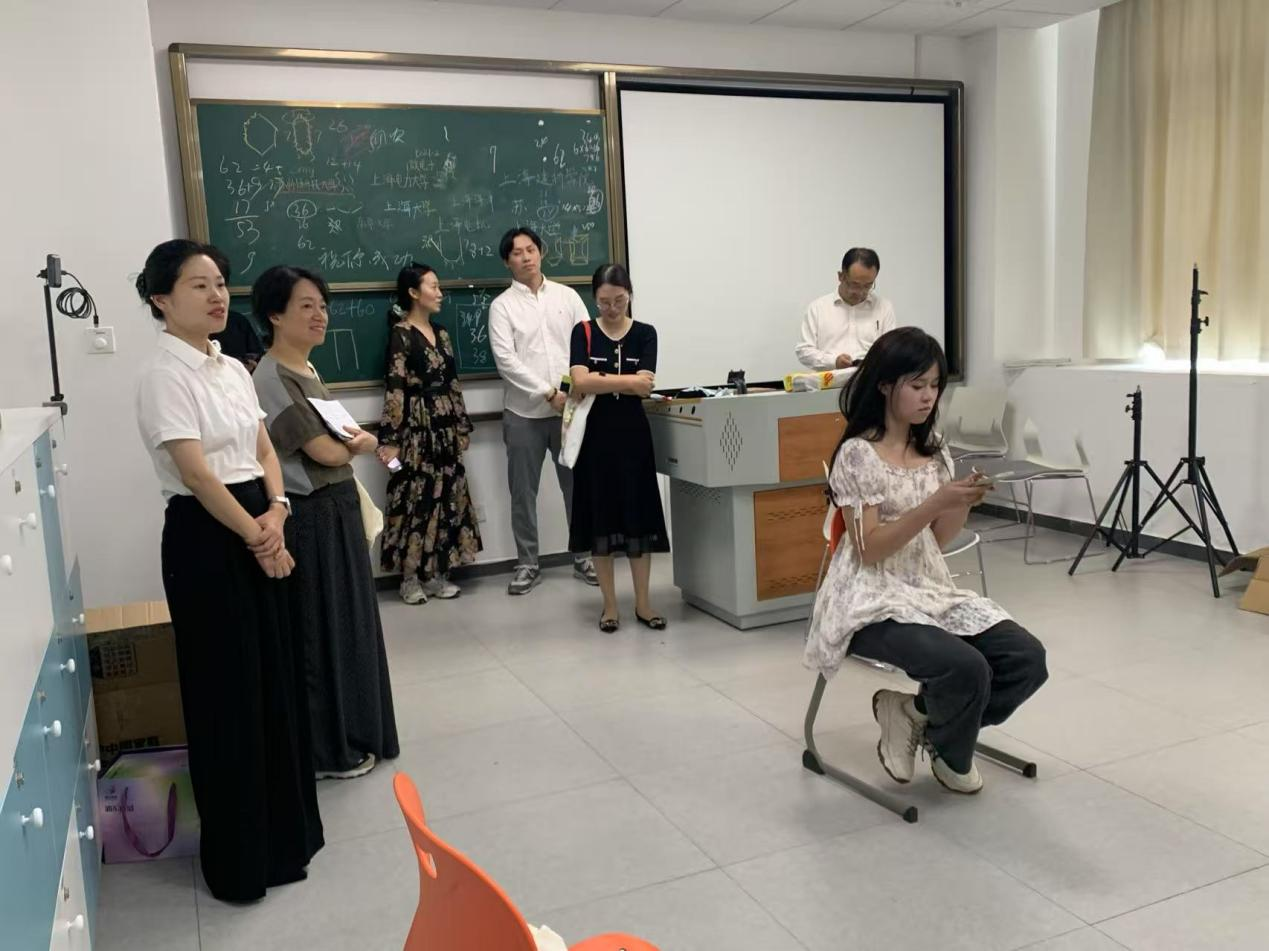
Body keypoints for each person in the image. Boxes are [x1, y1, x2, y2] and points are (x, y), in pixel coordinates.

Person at [133, 239, 322, 902]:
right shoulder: (164, 373)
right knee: (228, 695)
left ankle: (287, 841)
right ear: (161, 298)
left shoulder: (233, 367)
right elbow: (195, 473)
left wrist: (276, 510)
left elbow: (264, 449)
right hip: (207, 537)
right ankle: (241, 860)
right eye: (198, 285)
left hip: (259, 518)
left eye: (219, 283)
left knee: (274, 680)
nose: (216, 296)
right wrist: (257, 536)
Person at [803, 327, 1048, 794]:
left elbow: (938, 539)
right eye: (917, 385)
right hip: (867, 598)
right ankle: (950, 748)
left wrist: (961, 502)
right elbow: (869, 550)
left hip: (927, 587)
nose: (928, 396)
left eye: (934, 385)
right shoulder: (858, 454)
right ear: (884, 385)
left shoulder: (933, 447)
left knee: (1026, 659)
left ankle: (916, 715)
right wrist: (936, 501)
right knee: (966, 668)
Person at [251, 264, 400, 780]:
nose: (320, 315)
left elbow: (346, 441)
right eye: (305, 306)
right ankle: (327, 751)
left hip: (335, 507)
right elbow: (328, 451)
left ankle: (356, 734)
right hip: (310, 516)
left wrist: (356, 444)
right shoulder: (271, 377)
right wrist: (360, 444)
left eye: (322, 305)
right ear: (275, 315)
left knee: (348, 628)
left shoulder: (306, 370)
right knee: (322, 637)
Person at [488, 226, 598, 595]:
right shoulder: (502, 306)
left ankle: (583, 556)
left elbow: (586, 345)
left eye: (531, 249)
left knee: (578, 489)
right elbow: (506, 361)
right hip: (523, 414)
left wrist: (567, 391)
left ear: (541, 252)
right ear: (507, 261)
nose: (526, 257)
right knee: (523, 493)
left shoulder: (568, 297)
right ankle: (527, 563)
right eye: (517, 252)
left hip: (570, 411)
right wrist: (548, 392)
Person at [566, 264, 669, 633]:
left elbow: (646, 386)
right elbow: (579, 381)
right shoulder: (583, 331)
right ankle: (609, 606)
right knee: (601, 520)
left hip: (633, 437)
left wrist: (601, 379)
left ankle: (643, 603)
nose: (611, 308)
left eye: (619, 301)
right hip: (594, 439)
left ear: (630, 296)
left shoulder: (645, 333)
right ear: (595, 298)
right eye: (604, 302)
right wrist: (625, 381)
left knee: (638, 520)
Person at [377, 263, 483, 603]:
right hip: (417, 429)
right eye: (433, 286)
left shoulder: (443, 333)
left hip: (446, 428)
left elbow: (453, 382)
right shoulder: (401, 334)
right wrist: (391, 440)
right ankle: (409, 578)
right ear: (413, 292)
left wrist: (462, 425)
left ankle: (437, 573)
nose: (439, 293)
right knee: (416, 499)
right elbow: (395, 388)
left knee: (447, 497)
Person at [795, 247, 897, 371]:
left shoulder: (884, 307)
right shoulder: (818, 308)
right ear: (841, 276)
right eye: (855, 284)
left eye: (868, 285)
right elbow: (804, 351)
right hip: (831, 380)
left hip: (869, 380)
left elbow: (890, 351)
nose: (860, 292)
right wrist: (834, 362)